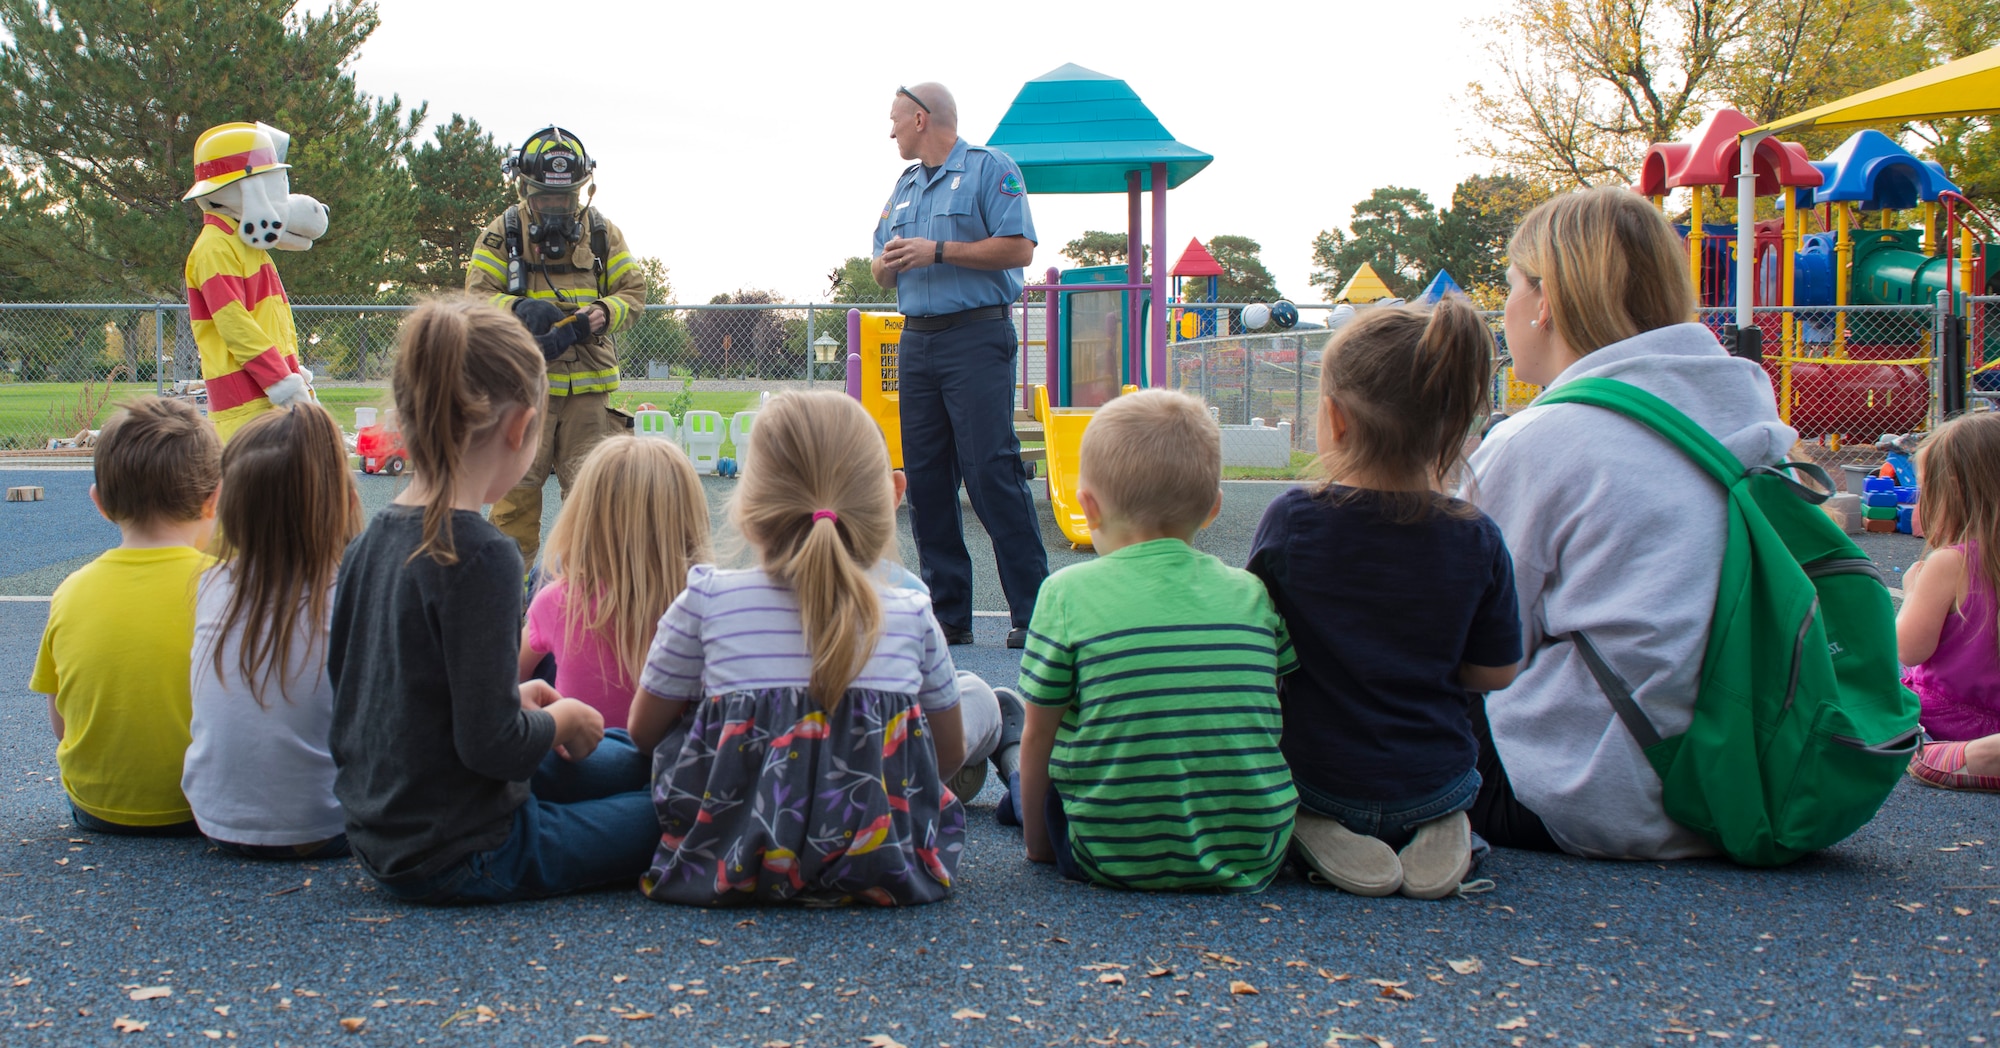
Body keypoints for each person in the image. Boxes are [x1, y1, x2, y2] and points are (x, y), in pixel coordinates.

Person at [1467, 187, 1796, 860]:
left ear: (1547, 299)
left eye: (1511, 287)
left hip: (1592, 792)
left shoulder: (1543, 439)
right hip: (1751, 781)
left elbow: (1471, 637)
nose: (1506, 311)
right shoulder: (1750, 415)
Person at [327, 297, 656, 905]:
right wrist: (550, 720)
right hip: (465, 849)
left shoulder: (368, 541)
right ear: (518, 427)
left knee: (628, 758)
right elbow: (491, 746)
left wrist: (511, 702)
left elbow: (365, 695)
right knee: (667, 810)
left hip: (380, 830)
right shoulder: (482, 555)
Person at [630, 391, 1011, 906]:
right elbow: (941, 756)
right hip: (885, 861)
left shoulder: (706, 598)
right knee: (981, 699)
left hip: (727, 860)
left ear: (747, 507)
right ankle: (1008, 722)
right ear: (889, 499)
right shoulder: (912, 612)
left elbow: (644, 732)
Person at [1247, 298, 1522, 900]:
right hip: (1436, 776)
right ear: (1450, 424)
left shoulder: (1294, 519)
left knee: (1292, 782)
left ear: (1336, 419)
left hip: (1317, 775)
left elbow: (1252, 644)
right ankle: (1447, 829)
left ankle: (1312, 829)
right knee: (1448, 779)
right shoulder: (1475, 534)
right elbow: (1496, 671)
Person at [1012, 390, 1297, 892]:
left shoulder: (1064, 593)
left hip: (1107, 852)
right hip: (1256, 852)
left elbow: (1041, 735)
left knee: (1027, 763)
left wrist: (1040, 844)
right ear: (1213, 510)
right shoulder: (1252, 594)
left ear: (1088, 507)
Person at [871, 82, 1047, 649]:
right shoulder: (902, 189)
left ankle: (1034, 610)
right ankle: (950, 616)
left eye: (896, 119)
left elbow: (1019, 247)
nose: (890, 130)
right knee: (924, 480)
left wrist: (938, 251)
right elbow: (878, 265)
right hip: (917, 340)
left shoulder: (989, 168)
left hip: (976, 334)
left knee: (990, 471)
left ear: (921, 118)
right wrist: (890, 265)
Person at [31, 396, 221, 835]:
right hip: (208, 806)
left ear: (99, 502)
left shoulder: (70, 592)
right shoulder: (227, 584)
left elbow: (61, 721)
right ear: (213, 501)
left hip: (97, 807)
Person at [467, 126, 648, 571]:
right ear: (525, 188)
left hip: (589, 395)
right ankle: (510, 592)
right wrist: (517, 309)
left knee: (593, 498)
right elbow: (474, 298)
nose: (554, 206)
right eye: (545, 196)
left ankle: (586, 595)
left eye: (565, 197)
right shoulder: (503, 232)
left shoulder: (603, 233)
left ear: (581, 190)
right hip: (524, 390)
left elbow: (634, 291)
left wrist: (606, 312)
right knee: (515, 497)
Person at [184, 402, 359, 860]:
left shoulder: (212, 580)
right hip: (329, 825)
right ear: (339, 497)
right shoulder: (350, 588)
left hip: (216, 821)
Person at [518, 435, 712, 731]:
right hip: (669, 761)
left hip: (579, 759)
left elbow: (509, 679)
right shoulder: (706, 606)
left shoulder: (556, 599)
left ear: (582, 517)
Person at [1898, 410, 2000, 791]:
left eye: (1924, 488)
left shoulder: (1950, 563)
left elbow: (1908, 650)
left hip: (1951, 719)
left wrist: (1911, 595)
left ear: (1953, 489)